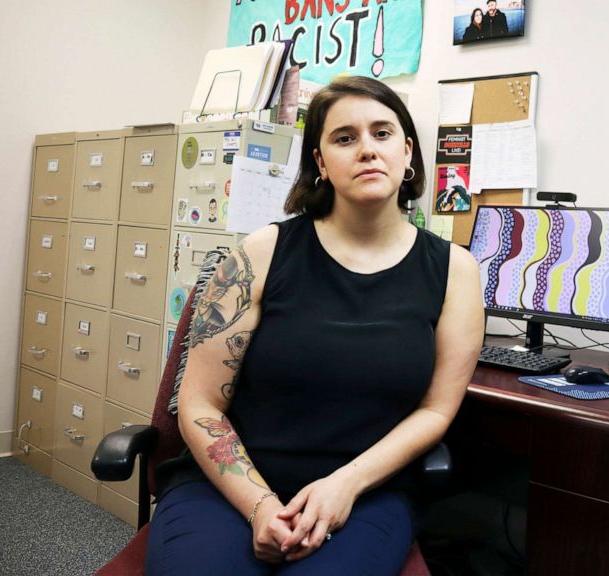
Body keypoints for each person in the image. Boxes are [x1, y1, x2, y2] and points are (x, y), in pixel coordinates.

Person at [146, 76, 485, 574]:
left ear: (408, 151)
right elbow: (200, 403)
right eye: (345, 138)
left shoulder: (455, 271)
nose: (367, 149)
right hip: (229, 486)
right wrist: (259, 504)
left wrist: (345, 484)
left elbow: (436, 410)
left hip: (367, 493)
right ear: (321, 163)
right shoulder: (261, 254)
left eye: (383, 133)